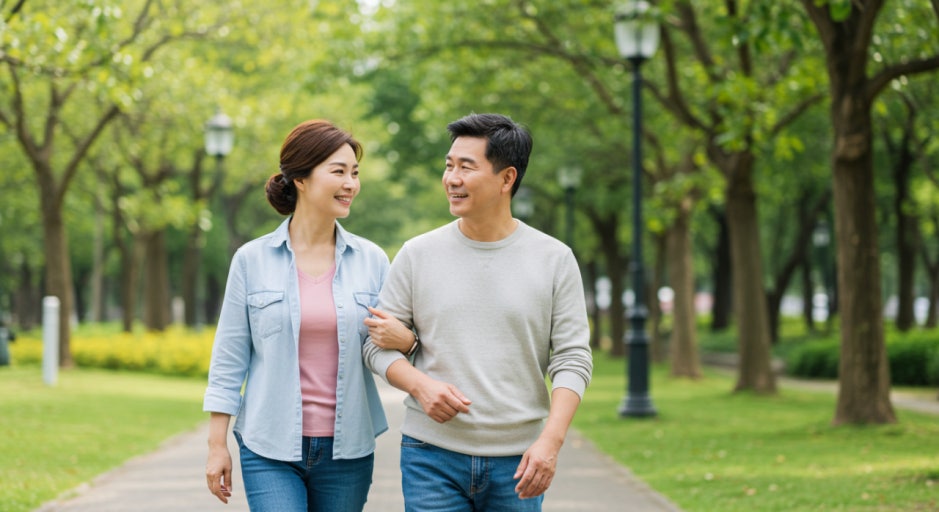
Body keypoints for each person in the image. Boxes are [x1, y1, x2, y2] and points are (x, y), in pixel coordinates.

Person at [364, 113, 593, 511]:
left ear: (507, 179)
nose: (452, 178)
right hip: (430, 454)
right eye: (449, 165)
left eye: (466, 167)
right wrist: (420, 385)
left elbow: (573, 357)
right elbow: (375, 345)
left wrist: (550, 443)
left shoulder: (554, 259)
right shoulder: (418, 254)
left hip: (520, 460)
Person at [203, 119, 415, 511]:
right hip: (269, 446)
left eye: (354, 173)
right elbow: (229, 358)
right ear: (300, 178)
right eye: (338, 172)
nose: (350, 183)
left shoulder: (371, 260)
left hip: (347, 449)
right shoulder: (252, 260)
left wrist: (407, 341)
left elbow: (392, 344)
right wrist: (218, 445)